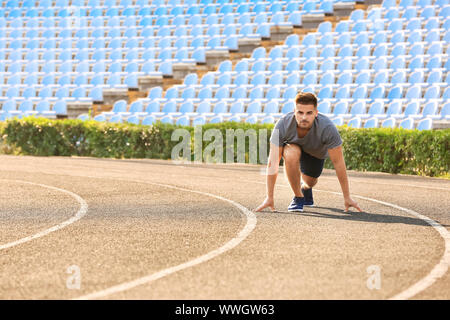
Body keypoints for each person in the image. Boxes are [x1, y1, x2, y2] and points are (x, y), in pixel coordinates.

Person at [254, 91, 362, 213]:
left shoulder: (327, 128)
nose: (304, 117)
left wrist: (347, 197)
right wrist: (269, 197)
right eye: (300, 112)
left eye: (309, 113)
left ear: (316, 113)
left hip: (315, 154)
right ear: (294, 112)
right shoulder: (283, 124)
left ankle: (305, 189)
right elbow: (272, 162)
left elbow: (338, 163)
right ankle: (298, 197)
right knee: (290, 154)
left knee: (310, 182)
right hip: (294, 148)